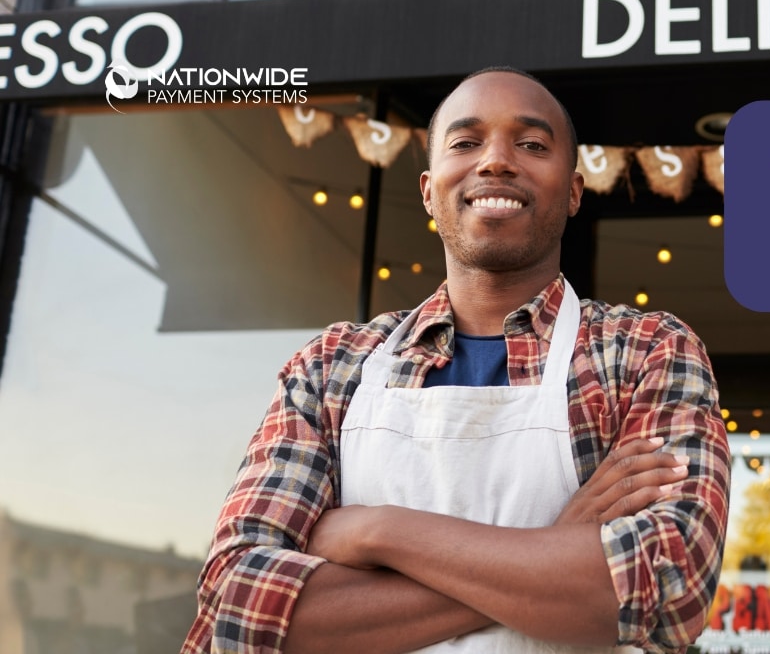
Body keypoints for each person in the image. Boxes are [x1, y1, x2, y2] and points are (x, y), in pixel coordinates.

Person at [181, 67, 730, 654]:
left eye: (532, 144)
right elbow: (237, 609)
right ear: (427, 190)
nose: (496, 161)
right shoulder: (330, 367)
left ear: (573, 191)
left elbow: (669, 588)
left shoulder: (647, 350)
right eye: (466, 142)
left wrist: (377, 531)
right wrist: (554, 546)